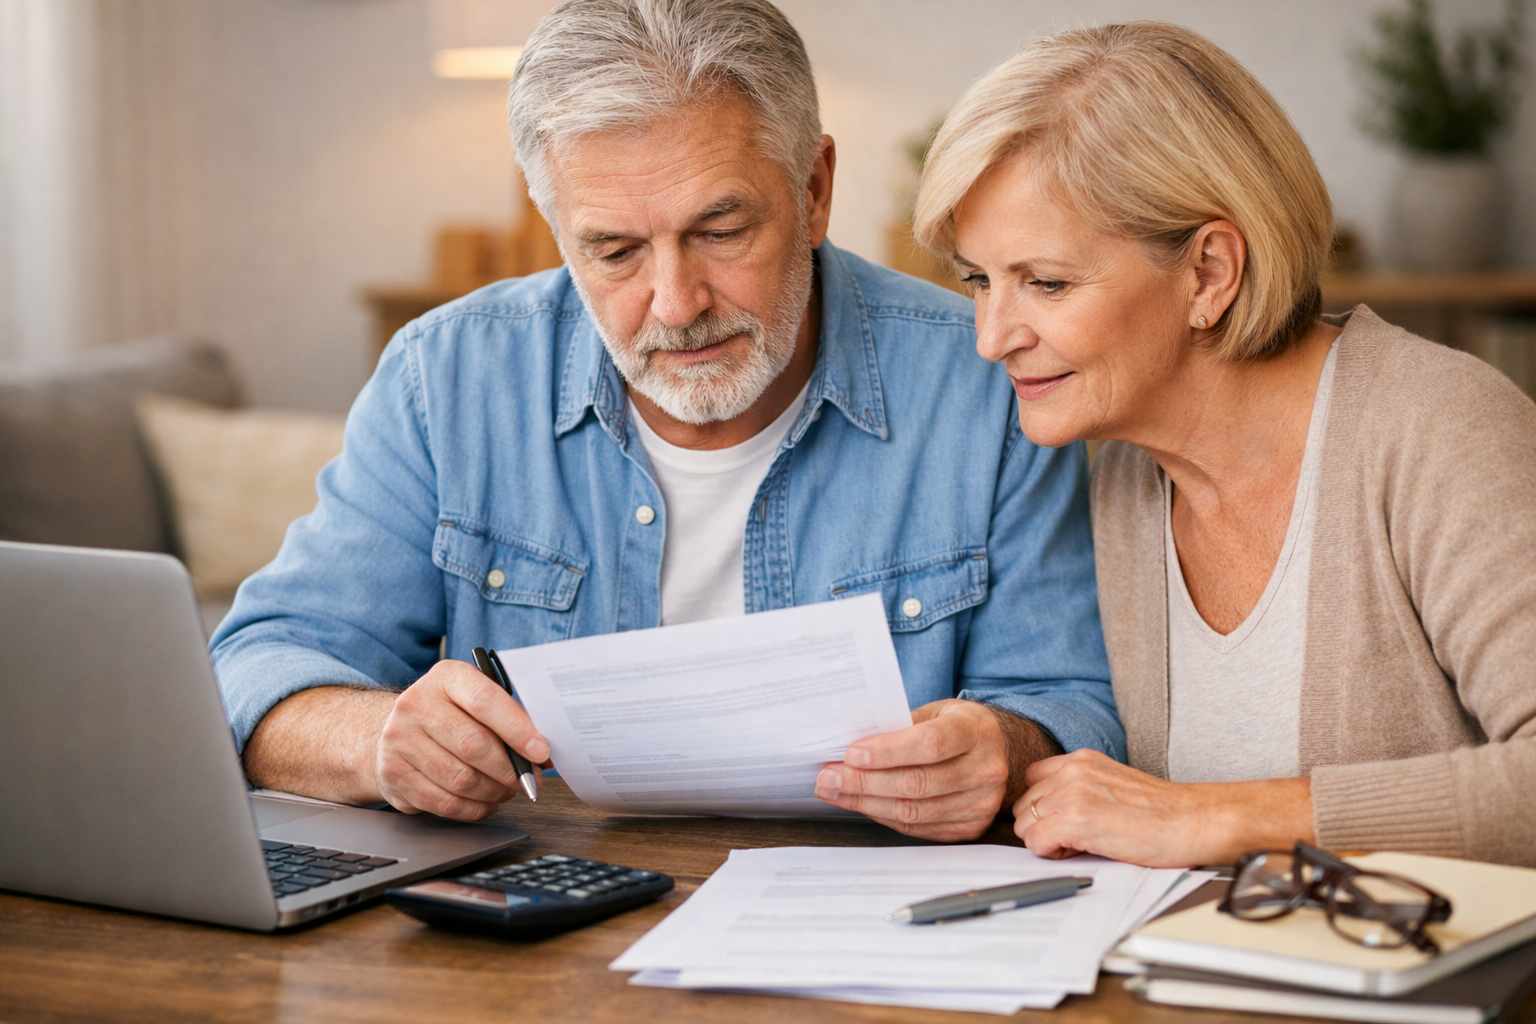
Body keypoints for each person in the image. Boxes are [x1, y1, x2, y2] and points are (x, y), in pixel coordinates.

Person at [211, 0, 1123, 843]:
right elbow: (254, 673)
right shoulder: (445, 378)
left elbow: (1072, 704)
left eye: (721, 233)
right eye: (612, 251)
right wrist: (375, 737)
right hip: (544, 935)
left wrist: (1002, 746)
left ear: (814, 187)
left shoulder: (989, 382)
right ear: (556, 230)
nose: (676, 304)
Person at [913, 21, 1536, 867]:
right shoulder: (1126, 475)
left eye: (1046, 283)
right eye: (979, 281)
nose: (991, 338)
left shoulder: (1436, 428)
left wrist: (1215, 817)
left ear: (1209, 272)